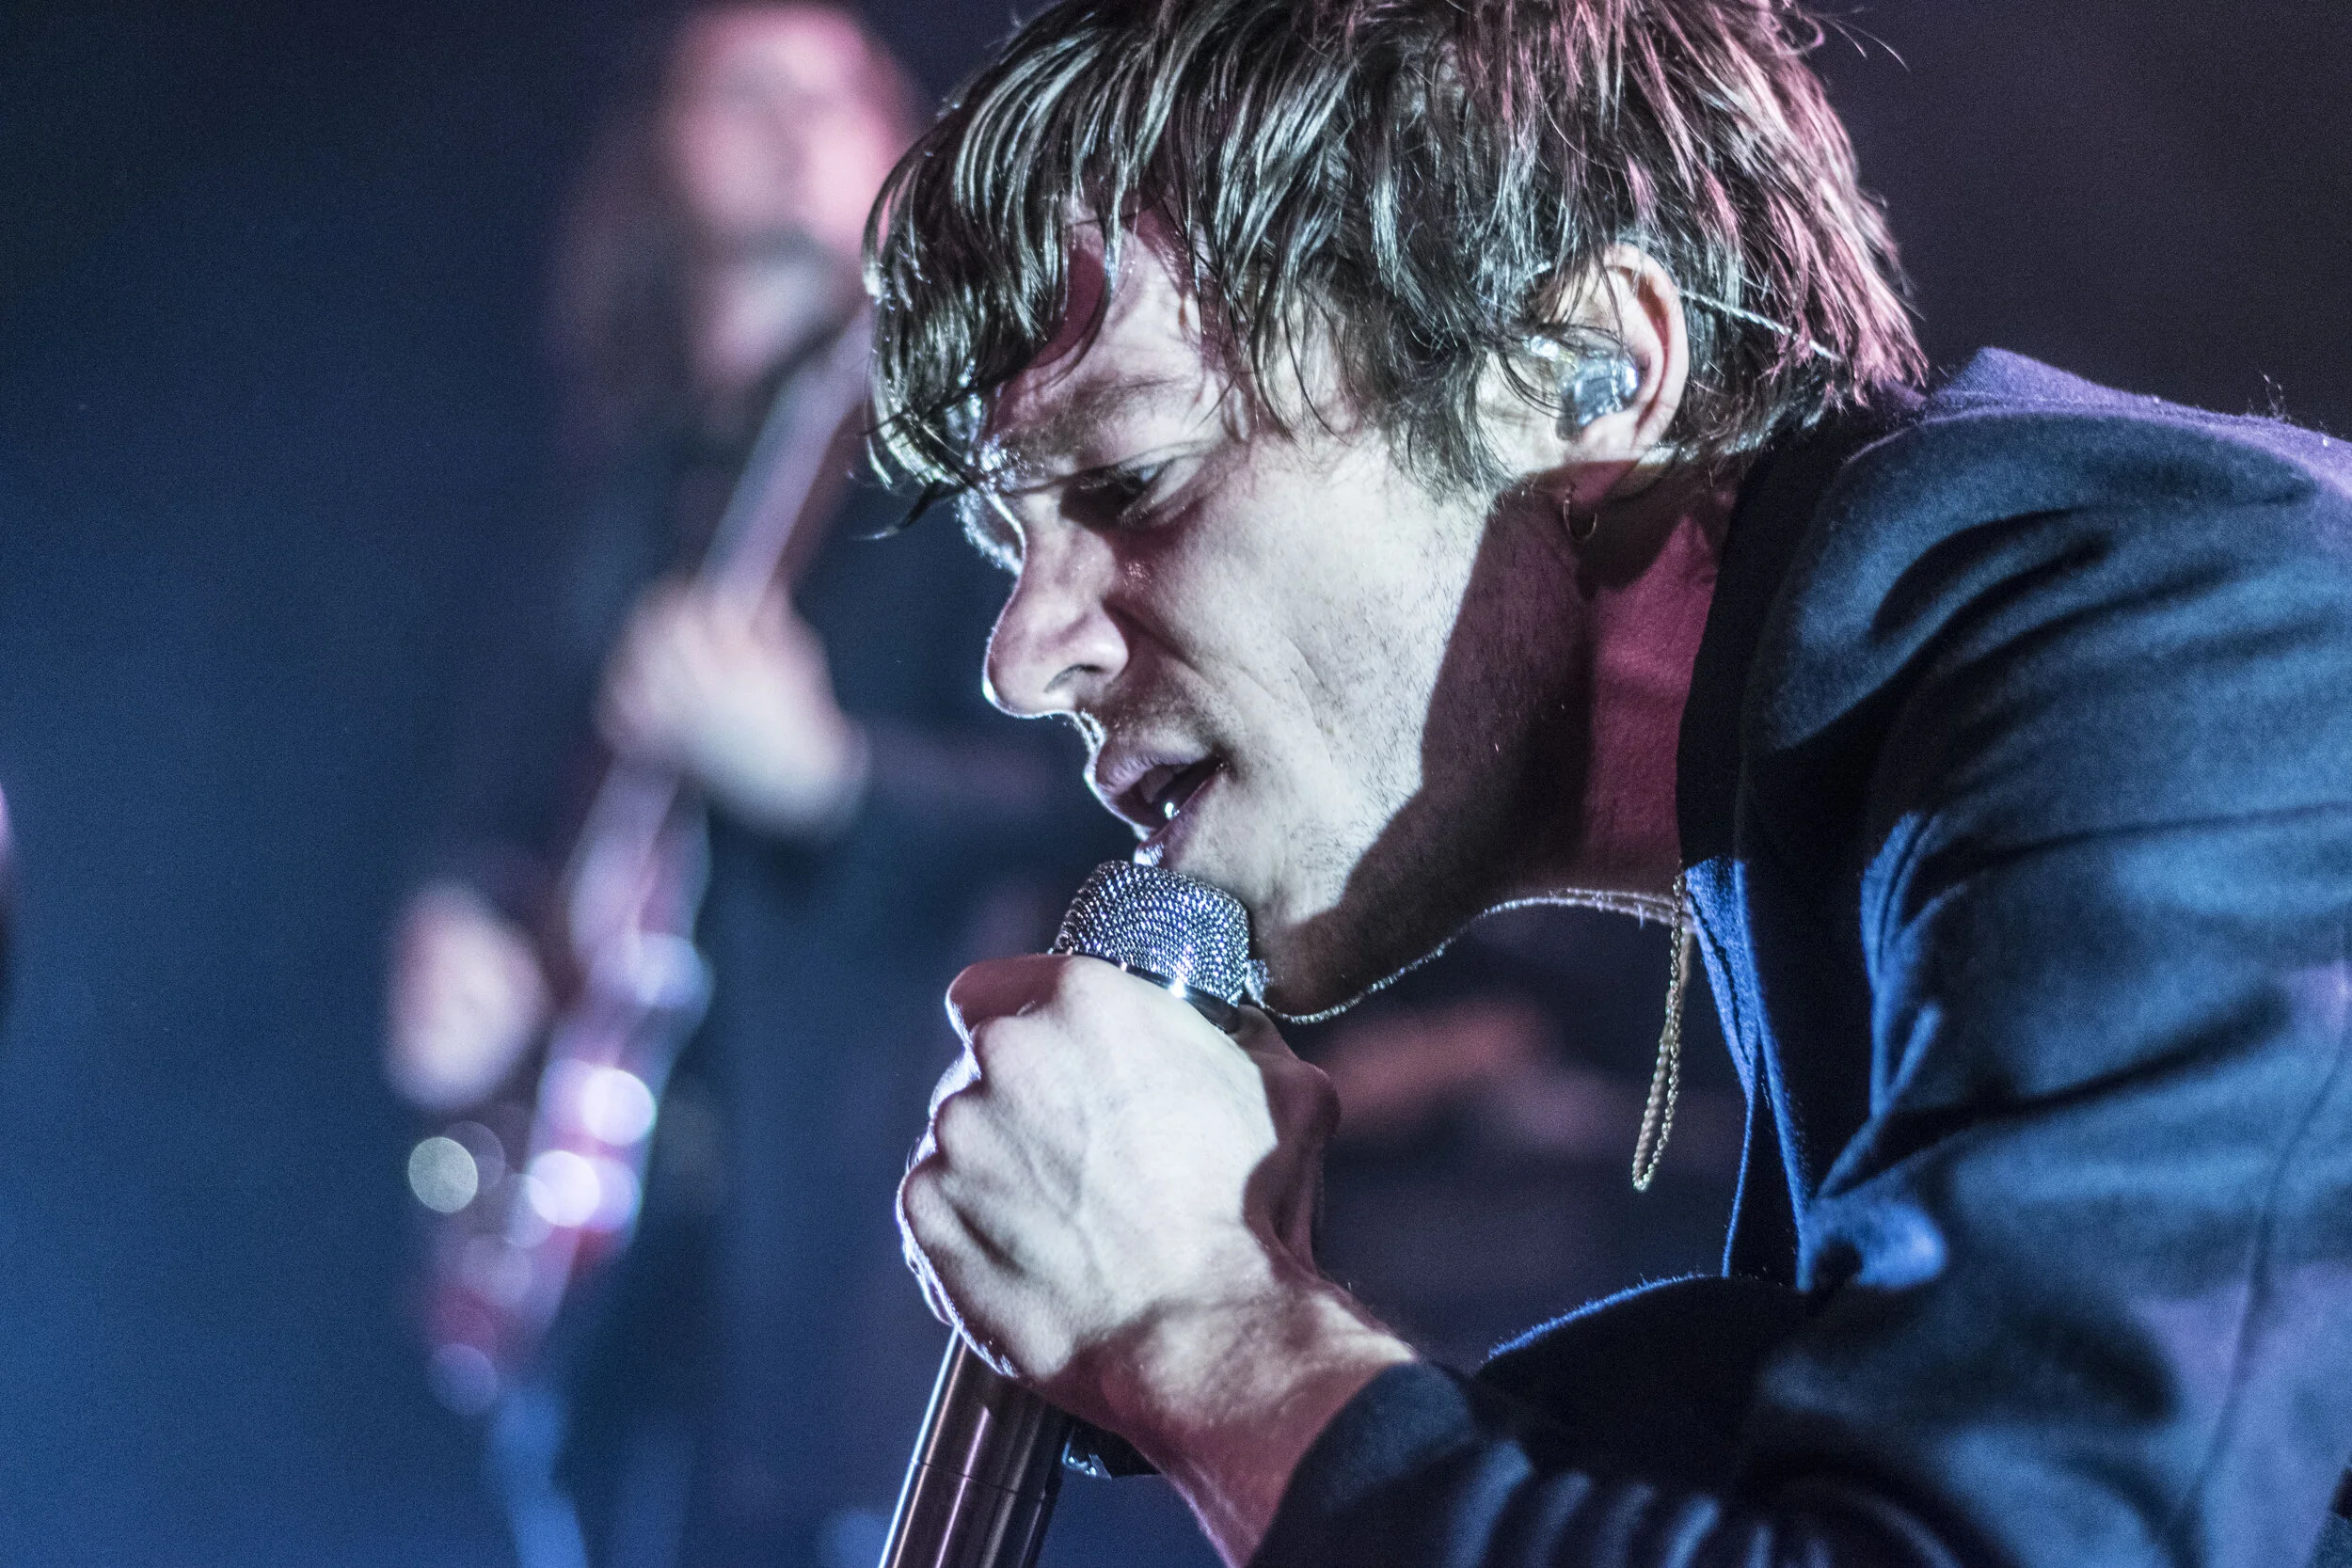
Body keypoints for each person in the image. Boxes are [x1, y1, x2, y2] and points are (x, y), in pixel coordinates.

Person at [865, 1, 2352, 1564]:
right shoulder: (1833, 832)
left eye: (1132, 480)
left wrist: (1211, 1331)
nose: (1023, 657)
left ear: (1587, 375)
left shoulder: (2186, 652)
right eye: (1012, 543)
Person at [387, 8, 1121, 1565]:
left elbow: (1094, 798)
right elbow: (507, 783)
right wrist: (469, 925)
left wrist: (833, 781)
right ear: (663, 145)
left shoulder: (952, 448)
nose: (794, 122)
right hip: (621, 1239)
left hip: (848, 1214)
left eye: (832, 89)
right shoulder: (629, 471)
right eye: (746, 88)